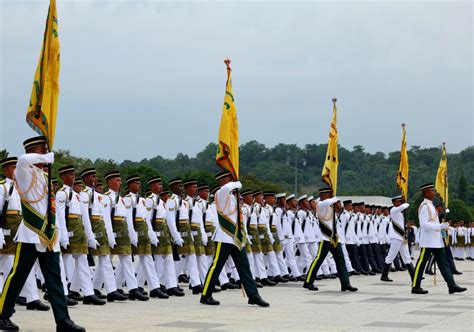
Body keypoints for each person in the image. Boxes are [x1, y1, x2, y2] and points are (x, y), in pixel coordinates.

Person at [0, 136, 84, 331]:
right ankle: (3, 315)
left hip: (48, 235)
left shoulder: (45, 176)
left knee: (55, 279)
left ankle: (63, 321)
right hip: (31, 233)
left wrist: (57, 232)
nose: (45, 153)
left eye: (46, 150)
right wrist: (46, 158)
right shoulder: (24, 172)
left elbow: (51, 208)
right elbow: (21, 160)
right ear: (32, 152)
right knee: (17, 276)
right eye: (41, 150)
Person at [200, 171, 269, 307]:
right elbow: (227, 188)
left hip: (236, 237)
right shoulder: (220, 193)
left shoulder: (233, 197)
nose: (231, 181)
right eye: (229, 179)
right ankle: (205, 295)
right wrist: (236, 182)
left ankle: (253, 295)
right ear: (223, 180)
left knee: (244, 266)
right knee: (216, 266)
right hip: (224, 236)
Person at [0, 157, 50, 312]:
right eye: (12, 168)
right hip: (7, 229)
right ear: (5, 170)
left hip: (21, 229)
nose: (16, 171)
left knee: (21, 266)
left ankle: (31, 298)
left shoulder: (24, 185)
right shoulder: (2, 188)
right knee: (8, 264)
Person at [56, 165, 105, 305]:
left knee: (82, 260)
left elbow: (85, 218)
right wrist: (63, 236)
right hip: (69, 232)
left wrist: (90, 237)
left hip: (79, 232)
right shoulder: (62, 194)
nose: (73, 177)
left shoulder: (78, 195)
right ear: (63, 177)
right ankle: (62, 293)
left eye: (73, 174)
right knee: (64, 262)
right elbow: (60, 216)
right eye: (70, 175)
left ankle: (87, 293)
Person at [80, 168, 127, 302]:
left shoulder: (101, 197)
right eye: (91, 177)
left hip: (102, 228)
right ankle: (77, 290)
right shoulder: (84, 194)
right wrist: (90, 236)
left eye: (95, 176)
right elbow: (85, 217)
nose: (94, 179)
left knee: (104, 259)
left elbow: (106, 217)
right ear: (85, 180)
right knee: (83, 261)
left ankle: (108, 290)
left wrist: (110, 236)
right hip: (92, 228)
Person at [411, 183, 467, 295]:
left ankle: (452, 285)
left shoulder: (431, 206)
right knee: (421, 263)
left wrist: (443, 225)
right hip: (428, 241)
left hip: (436, 241)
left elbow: (433, 223)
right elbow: (424, 225)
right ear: (426, 192)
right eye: (432, 190)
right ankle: (415, 286)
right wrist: (440, 226)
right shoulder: (424, 206)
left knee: (444, 263)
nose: (434, 192)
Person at [303, 188, 357, 292]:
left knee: (341, 261)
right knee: (318, 260)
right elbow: (329, 201)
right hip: (325, 238)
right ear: (324, 195)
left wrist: (335, 200)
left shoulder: (330, 206)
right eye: (329, 195)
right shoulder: (320, 204)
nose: (330, 197)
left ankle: (345, 283)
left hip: (334, 239)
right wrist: (334, 197)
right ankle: (308, 282)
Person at [145, 177, 184, 297]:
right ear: (152, 187)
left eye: (161, 184)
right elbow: (147, 219)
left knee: (168, 260)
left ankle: (171, 285)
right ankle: (159, 284)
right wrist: (152, 236)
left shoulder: (162, 202)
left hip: (165, 235)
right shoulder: (150, 200)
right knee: (158, 262)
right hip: (157, 235)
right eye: (158, 184)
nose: (161, 186)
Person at [381, 196, 414, 282]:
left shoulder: (400, 213)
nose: (400, 203)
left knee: (407, 257)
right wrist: (405, 202)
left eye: (401, 201)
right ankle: (384, 275)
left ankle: (414, 276)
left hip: (402, 237)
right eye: (398, 201)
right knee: (391, 256)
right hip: (396, 237)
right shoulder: (393, 210)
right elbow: (404, 206)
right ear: (394, 203)